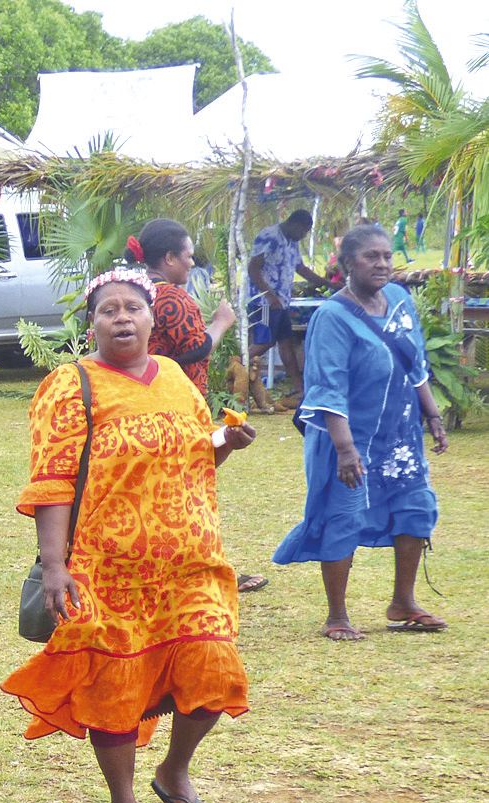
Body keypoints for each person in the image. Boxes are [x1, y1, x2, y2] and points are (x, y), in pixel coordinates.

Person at [1, 269, 257, 803]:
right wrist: (55, 565)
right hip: (107, 566)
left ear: (150, 317)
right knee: (115, 686)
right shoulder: (71, 386)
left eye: (132, 308)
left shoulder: (173, 376)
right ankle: (123, 802)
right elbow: (52, 481)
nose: (121, 317)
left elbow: (196, 457)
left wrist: (225, 443)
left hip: (190, 561)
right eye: (108, 310)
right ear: (90, 324)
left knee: (215, 671)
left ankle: (174, 770)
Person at [273, 224, 449, 640]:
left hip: (400, 436)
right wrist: (346, 450)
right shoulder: (331, 317)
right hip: (350, 439)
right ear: (346, 263)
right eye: (372, 256)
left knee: (416, 508)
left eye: (387, 256)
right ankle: (337, 615)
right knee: (344, 516)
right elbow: (327, 384)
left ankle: (403, 602)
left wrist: (433, 416)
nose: (382, 263)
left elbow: (416, 364)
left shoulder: (401, 301)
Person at [133, 220, 267, 594]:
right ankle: (203, 569)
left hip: (145, 407)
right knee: (189, 488)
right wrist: (222, 323)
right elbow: (194, 349)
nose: (192, 263)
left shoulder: (137, 292)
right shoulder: (172, 297)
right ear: (170, 257)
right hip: (177, 407)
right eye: (188, 256)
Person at [246, 208, 330, 408]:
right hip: (263, 301)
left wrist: (327, 283)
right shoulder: (270, 236)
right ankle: (236, 367)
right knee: (265, 341)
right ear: (295, 224)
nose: (304, 235)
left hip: (282, 301)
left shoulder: (292, 241)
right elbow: (253, 268)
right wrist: (268, 294)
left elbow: (300, 268)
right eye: (304, 231)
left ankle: (300, 389)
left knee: (286, 343)